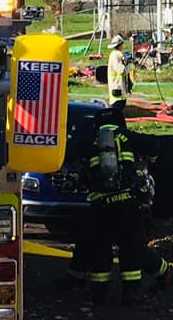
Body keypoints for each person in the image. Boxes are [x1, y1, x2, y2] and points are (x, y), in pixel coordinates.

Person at [67, 102, 167, 300]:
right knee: (131, 246)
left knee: (99, 248)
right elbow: (154, 145)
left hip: (100, 205)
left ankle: (99, 292)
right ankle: (131, 293)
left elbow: (70, 156)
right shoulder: (128, 136)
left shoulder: (90, 141)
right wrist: (148, 160)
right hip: (127, 203)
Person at [106, 34, 133, 102]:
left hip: (120, 89)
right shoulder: (116, 55)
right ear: (120, 45)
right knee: (116, 110)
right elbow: (122, 71)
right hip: (116, 88)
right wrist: (131, 65)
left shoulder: (116, 54)